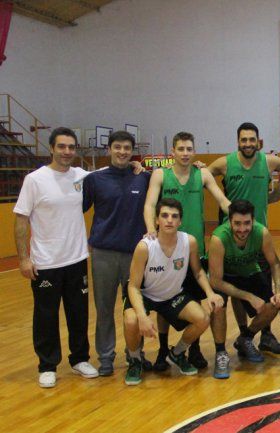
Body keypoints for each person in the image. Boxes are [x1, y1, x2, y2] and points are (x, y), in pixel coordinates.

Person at [13, 127, 99, 388]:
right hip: (46, 262)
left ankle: (80, 359)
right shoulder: (35, 180)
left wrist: (138, 169)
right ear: (51, 148)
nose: (67, 152)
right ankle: (47, 365)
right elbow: (20, 221)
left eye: (71, 147)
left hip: (76, 259)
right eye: (61, 146)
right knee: (46, 316)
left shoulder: (82, 176)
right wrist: (24, 259)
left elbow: (110, 174)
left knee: (79, 314)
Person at [143, 131, 230, 370]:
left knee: (197, 302)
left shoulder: (201, 174)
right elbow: (150, 204)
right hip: (165, 251)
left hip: (194, 250)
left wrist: (240, 216)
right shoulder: (161, 174)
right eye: (180, 149)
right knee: (163, 302)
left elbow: (222, 201)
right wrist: (151, 229)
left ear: (194, 151)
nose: (184, 153)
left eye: (188, 149)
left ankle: (195, 349)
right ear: (173, 152)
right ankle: (162, 350)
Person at [207, 122, 280, 357]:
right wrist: (219, 195)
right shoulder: (225, 163)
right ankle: (245, 333)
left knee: (265, 288)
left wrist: (278, 194)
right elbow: (204, 174)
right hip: (232, 235)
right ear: (238, 142)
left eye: (251, 139)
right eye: (244, 140)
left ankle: (265, 336)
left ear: (258, 141)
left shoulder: (268, 162)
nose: (248, 144)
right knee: (235, 283)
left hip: (257, 235)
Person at [122, 198, 224, 385]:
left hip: (172, 295)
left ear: (180, 221)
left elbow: (198, 271)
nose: (169, 220)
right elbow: (133, 286)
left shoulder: (189, 242)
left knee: (203, 319)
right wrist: (142, 316)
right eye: (165, 216)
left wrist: (210, 293)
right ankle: (135, 360)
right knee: (131, 320)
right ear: (156, 221)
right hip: (144, 294)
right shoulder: (144, 247)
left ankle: (177, 354)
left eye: (174, 216)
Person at [82, 130, 152, 376]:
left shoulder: (143, 178)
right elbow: (76, 210)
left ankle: (135, 355)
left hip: (136, 256)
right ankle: (105, 358)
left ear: (133, 151)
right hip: (103, 254)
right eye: (117, 147)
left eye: (127, 148)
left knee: (134, 309)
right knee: (104, 309)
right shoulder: (94, 180)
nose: (122, 152)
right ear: (109, 149)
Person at [207, 200, 280, 379]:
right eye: (237, 223)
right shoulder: (218, 239)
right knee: (218, 305)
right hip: (224, 278)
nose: (242, 229)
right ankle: (221, 353)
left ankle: (245, 338)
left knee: (275, 304)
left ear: (253, 220)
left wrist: (279, 289)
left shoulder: (262, 233)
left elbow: (274, 263)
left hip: (248, 271)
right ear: (229, 221)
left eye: (247, 223)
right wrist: (249, 296)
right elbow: (215, 281)